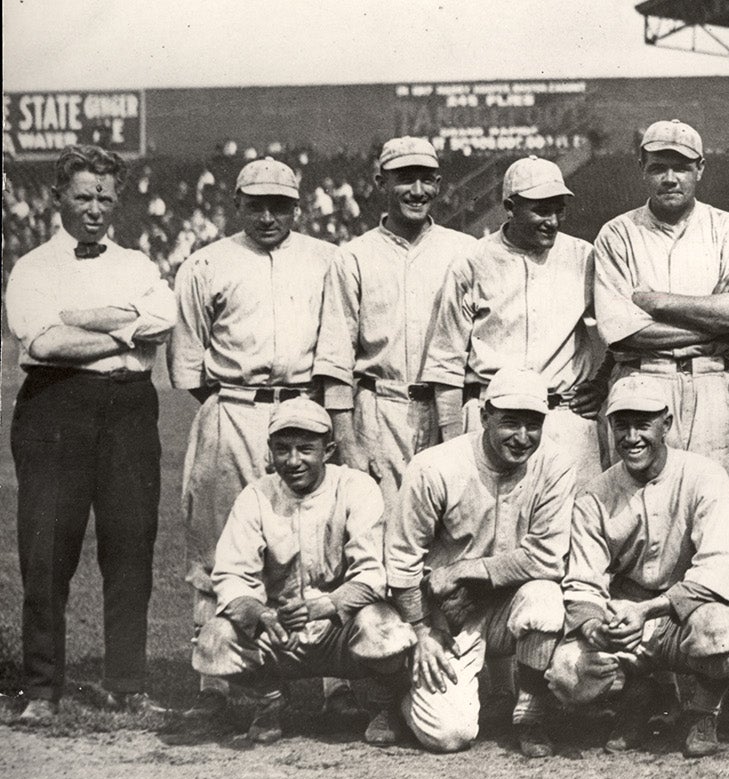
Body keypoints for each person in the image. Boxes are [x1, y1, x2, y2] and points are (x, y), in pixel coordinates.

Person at [6, 144, 176, 722]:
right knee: (48, 546)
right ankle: (42, 689)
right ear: (58, 197)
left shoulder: (139, 264)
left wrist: (83, 318)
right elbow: (45, 343)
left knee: (131, 544)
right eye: (83, 195)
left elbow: (165, 318)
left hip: (129, 409)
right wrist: (126, 328)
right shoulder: (32, 267)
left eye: (105, 196)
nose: (95, 207)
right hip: (56, 406)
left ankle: (127, 683)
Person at [169, 157, 341, 710]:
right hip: (234, 408)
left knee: (310, 541)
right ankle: (213, 680)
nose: (268, 216)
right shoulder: (205, 263)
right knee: (219, 546)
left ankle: (313, 677)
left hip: (303, 410)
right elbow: (188, 364)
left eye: (280, 205)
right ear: (237, 204)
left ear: (298, 206)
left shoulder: (327, 260)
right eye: (256, 205)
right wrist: (237, 405)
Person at [190, 399, 414, 743]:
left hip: (341, 628)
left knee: (386, 630)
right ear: (270, 452)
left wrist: (324, 606)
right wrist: (260, 613)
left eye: (305, 449)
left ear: (329, 449)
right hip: (281, 630)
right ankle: (269, 702)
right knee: (215, 639)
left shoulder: (356, 487)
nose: (293, 461)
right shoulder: (256, 496)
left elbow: (373, 574)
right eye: (282, 449)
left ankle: (382, 706)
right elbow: (232, 576)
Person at [545, 376, 729, 758]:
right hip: (624, 615)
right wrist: (593, 627)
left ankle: (703, 710)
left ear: (666, 424)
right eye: (622, 424)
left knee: (723, 632)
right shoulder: (595, 494)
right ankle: (639, 695)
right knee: (568, 672)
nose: (632, 436)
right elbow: (583, 580)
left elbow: (717, 571)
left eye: (643, 424)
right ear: (609, 426)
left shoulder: (704, 475)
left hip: (685, 613)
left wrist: (649, 611)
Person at [383, 368, 574, 757]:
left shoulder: (555, 463)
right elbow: (401, 562)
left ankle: (530, 712)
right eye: (510, 422)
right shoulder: (434, 466)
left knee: (545, 599)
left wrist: (463, 570)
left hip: (506, 603)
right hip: (446, 614)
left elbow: (548, 557)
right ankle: (404, 699)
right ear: (485, 415)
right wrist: (421, 631)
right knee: (449, 735)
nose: (522, 437)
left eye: (533, 424)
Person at [592, 120, 729, 518]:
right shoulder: (617, 234)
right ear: (642, 168)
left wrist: (657, 302)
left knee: (717, 509)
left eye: (681, 167)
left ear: (700, 169)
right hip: (641, 380)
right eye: (657, 168)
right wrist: (711, 325)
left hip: (711, 385)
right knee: (639, 513)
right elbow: (620, 332)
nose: (670, 178)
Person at [315, 137, 480, 516]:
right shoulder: (353, 256)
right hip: (378, 409)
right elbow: (336, 356)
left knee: (450, 532)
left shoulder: (465, 250)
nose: (418, 191)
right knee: (381, 534)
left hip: (448, 412)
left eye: (427, 180)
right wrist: (347, 440)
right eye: (405, 179)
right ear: (381, 183)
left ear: (438, 184)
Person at [421, 156, 607, 485]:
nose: (552, 221)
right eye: (540, 210)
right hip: (493, 419)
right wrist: (453, 444)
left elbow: (618, 328)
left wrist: (602, 382)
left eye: (558, 209)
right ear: (510, 207)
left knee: (577, 530)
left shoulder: (583, 256)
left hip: (563, 418)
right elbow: (446, 362)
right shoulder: (472, 262)